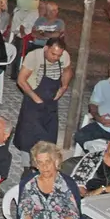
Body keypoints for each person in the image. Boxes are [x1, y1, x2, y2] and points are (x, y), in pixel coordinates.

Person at [13, 38, 71, 177]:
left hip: (51, 101)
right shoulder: (33, 56)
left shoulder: (65, 56)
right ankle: (27, 167)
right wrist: (35, 98)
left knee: (48, 136)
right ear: (46, 48)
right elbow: (21, 80)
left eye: (58, 55)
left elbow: (68, 70)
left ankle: (45, 166)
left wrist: (64, 86)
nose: (56, 58)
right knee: (28, 136)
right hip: (33, 98)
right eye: (53, 54)